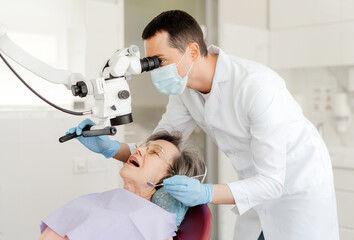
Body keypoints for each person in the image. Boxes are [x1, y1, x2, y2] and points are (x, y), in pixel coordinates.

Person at [68, 10, 339, 240]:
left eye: (160, 61)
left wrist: (206, 192)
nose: (156, 71)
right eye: (151, 64)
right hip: (255, 188)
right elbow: (158, 150)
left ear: (193, 51)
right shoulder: (184, 92)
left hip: (298, 188)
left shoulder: (257, 87)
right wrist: (111, 147)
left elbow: (272, 182)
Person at [38, 130, 207, 240]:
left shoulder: (156, 222)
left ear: (169, 177)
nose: (138, 150)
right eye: (142, 147)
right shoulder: (96, 200)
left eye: (154, 152)